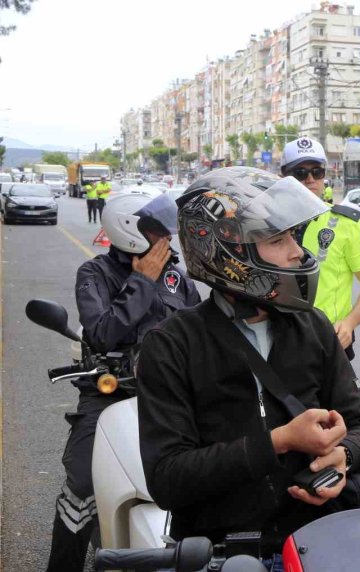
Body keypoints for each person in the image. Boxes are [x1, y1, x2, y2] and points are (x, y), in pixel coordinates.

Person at [137, 167, 360, 552]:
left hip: (317, 542)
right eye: (278, 240)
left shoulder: (312, 326)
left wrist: (343, 455)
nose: (298, 252)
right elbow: (168, 478)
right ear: (228, 249)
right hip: (218, 549)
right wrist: (279, 441)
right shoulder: (171, 345)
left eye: (293, 238)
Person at [47, 193, 200, 572]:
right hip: (112, 392)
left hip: (173, 393)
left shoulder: (176, 276)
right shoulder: (95, 273)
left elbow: (201, 329)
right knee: (82, 482)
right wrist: (141, 281)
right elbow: (102, 333)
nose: (166, 237)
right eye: (157, 230)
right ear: (131, 232)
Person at [280, 137, 360, 361]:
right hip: (278, 339)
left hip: (328, 340)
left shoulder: (346, 223)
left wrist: (349, 323)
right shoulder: (269, 222)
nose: (310, 179)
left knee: (340, 398)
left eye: (317, 172)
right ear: (284, 176)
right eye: (300, 172)